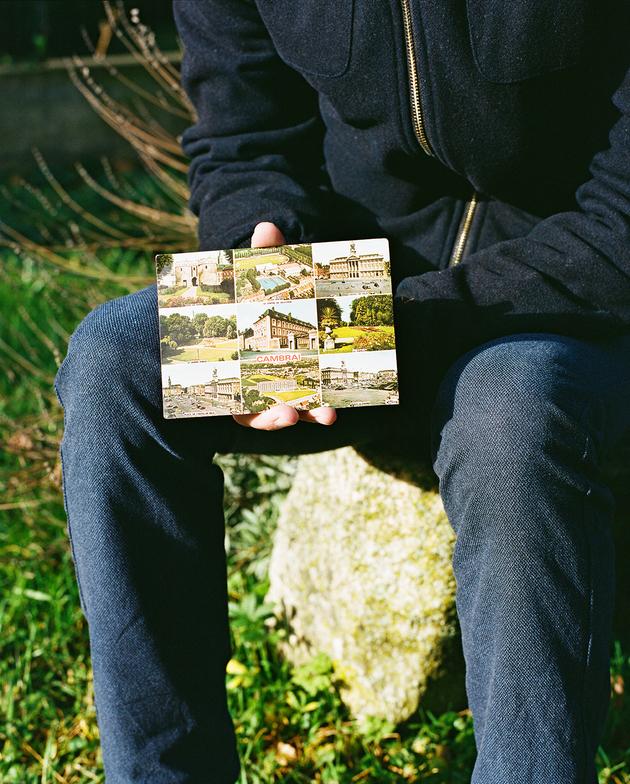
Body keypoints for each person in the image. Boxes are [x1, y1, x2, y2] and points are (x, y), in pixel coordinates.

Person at [54, 1, 630, 782]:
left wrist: (394, 325)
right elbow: (245, 138)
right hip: (356, 309)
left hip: (575, 307)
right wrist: (264, 241)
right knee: (113, 362)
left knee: (511, 408)